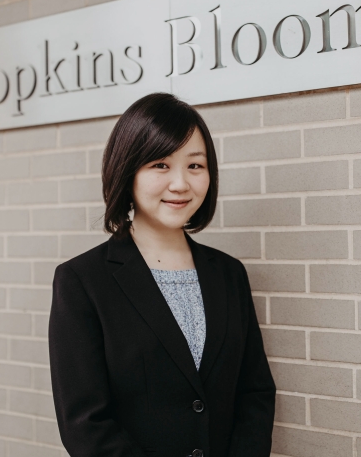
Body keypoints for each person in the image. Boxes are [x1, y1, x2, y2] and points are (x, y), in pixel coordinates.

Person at [47, 93, 276, 457]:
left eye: (195, 166)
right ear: (127, 171)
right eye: (160, 165)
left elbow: (255, 393)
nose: (181, 183)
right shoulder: (83, 281)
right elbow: (84, 423)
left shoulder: (229, 274)